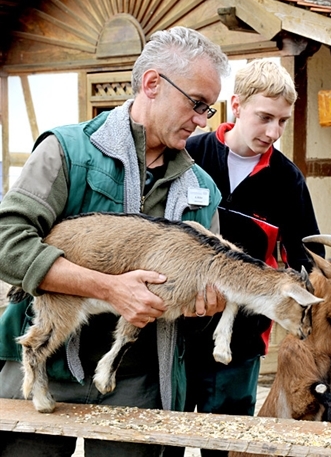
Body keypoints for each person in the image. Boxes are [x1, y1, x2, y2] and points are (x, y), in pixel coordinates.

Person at [0, 26, 230, 457]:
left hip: (139, 378)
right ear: (152, 84)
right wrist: (108, 288)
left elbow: (205, 292)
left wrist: (209, 303)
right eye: (196, 104)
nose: (202, 121)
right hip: (44, 362)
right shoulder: (65, 151)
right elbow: (6, 244)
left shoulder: (202, 188)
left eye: (209, 110)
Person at [163, 59, 325, 457]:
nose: (273, 132)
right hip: (173, 331)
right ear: (236, 106)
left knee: (227, 444)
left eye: (283, 121)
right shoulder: (190, 154)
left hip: (241, 339)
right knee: (164, 438)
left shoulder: (288, 180)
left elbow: (310, 259)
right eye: (264, 117)